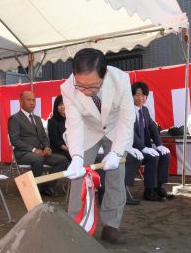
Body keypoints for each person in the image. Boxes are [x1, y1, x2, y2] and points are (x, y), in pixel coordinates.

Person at [61, 48, 135, 244]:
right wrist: (76, 156)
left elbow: (127, 119)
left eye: (92, 86)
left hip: (116, 128)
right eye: (81, 86)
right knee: (78, 175)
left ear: (104, 74)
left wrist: (117, 152)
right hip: (88, 130)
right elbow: (74, 124)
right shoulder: (68, 88)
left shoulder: (121, 80)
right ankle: (76, 226)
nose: (85, 91)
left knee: (116, 175)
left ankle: (111, 225)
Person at [8, 91, 69, 197]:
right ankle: (33, 189)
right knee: (37, 159)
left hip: (40, 152)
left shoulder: (37, 119)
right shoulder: (15, 118)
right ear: (20, 102)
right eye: (28, 100)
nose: (32, 103)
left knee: (62, 160)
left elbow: (44, 137)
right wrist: (33, 150)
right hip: (23, 153)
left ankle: (46, 186)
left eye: (33, 100)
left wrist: (47, 147)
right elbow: (15, 140)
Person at [129, 82, 173, 202]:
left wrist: (159, 145)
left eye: (144, 95)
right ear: (131, 96)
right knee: (152, 157)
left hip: (144, 148)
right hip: (131, 149)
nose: (141, 98)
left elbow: (153, 128)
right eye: (137, 95)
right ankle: (149, 191)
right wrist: (143, 147)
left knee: (164, 154)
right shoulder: (126, 111)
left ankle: (158, 187)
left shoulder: (145, 110)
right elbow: (129, 133)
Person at [48, 95, 71, 162]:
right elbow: (56, 141)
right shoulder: (52, 121)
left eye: (64, 104)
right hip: (59, 150)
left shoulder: (70, 120)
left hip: (70, 149)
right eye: (60, 105)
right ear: (56, 107)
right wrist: (69, 150)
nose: (63, 107)